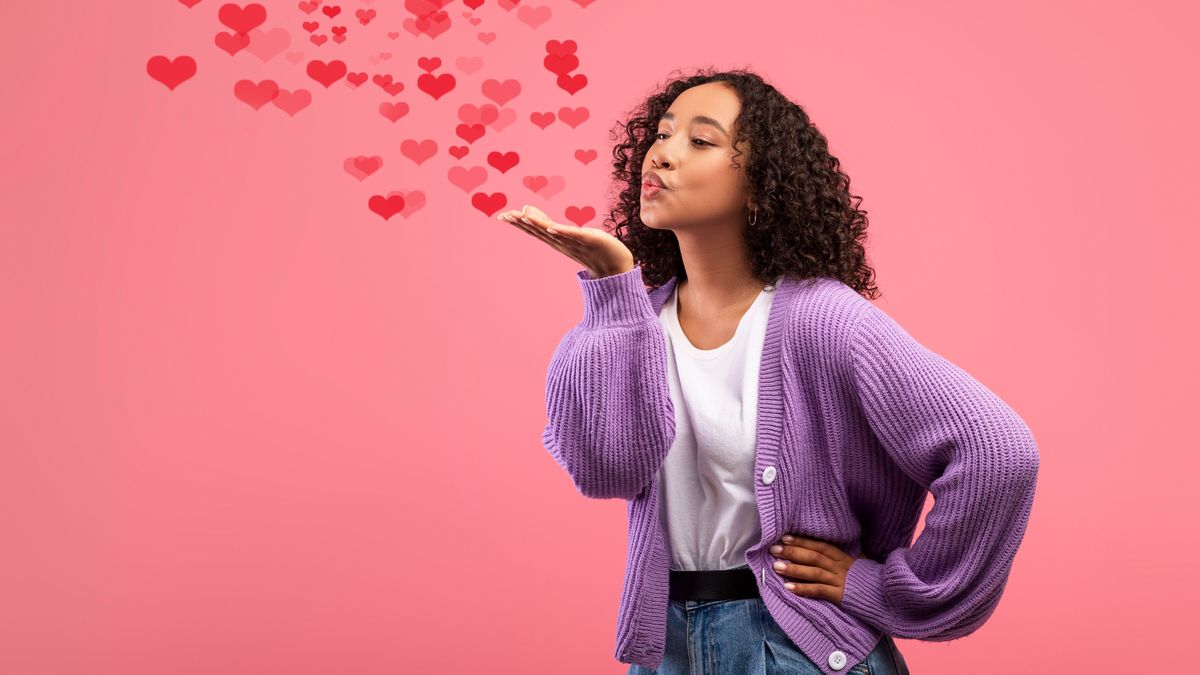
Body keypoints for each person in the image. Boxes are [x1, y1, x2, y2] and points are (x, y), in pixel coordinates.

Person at [500, 68, 1038, 675]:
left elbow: (999, 452)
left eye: (700, 141)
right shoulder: (628, 323)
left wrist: (885, 590)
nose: (663, 154)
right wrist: (610, 291)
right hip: (664, 648)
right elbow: (606, 471)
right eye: (662, 132)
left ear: (761, 188)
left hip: (792, 647)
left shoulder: (823, 321)